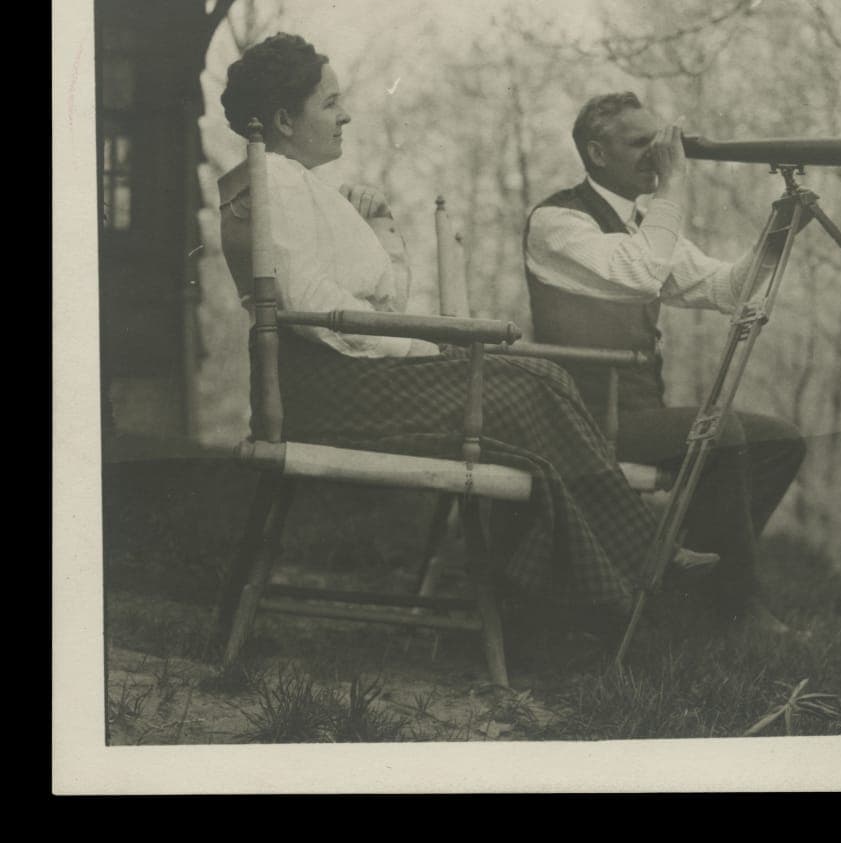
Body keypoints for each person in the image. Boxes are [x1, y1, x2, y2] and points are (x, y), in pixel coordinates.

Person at [218, 34, 713, 620]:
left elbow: (368, 300)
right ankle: (621, 576)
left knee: (540, 383)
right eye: (329, 103)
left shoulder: (299, 186)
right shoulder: (272, 183)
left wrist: (378, 229)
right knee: (537, 384)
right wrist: (419, 347)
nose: (345, 113)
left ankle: (598, 580)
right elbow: (309, 305)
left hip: (347, 376)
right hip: (326, 389)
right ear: (283, 119)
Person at [524, 92, 808, 635]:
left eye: (660, 143)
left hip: (632, 413)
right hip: (578, 418)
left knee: (782, 442)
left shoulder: (641, 226)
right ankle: (734, 605)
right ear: (597, 153)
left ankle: (691, 588)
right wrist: (674, 190)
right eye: (639, 144)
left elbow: (728, 288)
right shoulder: (558, 221)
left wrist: (779, 233)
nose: (656, 155)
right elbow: (640, 274)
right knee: (717, 431)